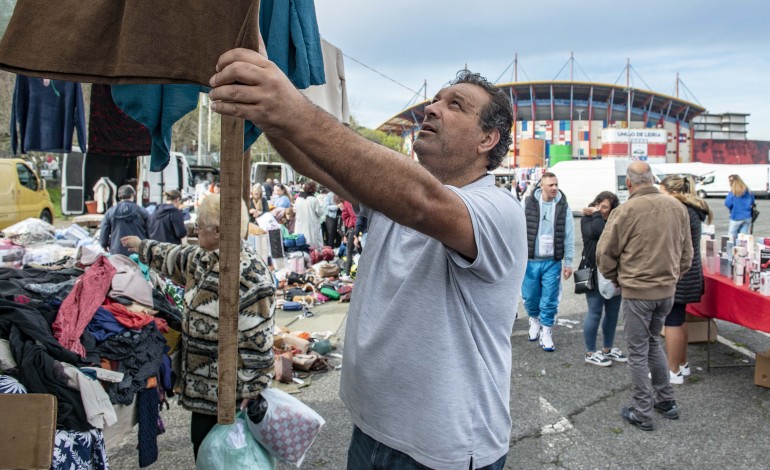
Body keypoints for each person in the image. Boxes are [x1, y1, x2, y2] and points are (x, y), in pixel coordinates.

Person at [210, 52, 527, 470]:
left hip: (442, 451)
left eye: (455, 105)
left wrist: (293, 109)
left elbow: (422, 202)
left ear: (488, 139)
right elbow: (320, 163)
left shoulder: (497, 208)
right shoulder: (391, 196)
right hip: (371, 430)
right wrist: (270, 115)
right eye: (435, 99)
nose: (430, 107)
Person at [121, 194, 275, 460]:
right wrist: (140, 246)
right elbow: (172, 256)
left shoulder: (251, 274)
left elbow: (258, 339)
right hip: (203, 393)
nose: (194, 230)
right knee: (204, 451)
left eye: (199, 226)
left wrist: (253, 387)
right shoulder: (201, 258)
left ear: (217, 231)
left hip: (232, 394)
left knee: (229, 457)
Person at [596, 161, 692, 431]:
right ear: (652, 179)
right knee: (652, 343)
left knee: (638, 351)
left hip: (638, 290)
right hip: (666, 290)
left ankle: (643, 411)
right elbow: (687, 254)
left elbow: (605, 254)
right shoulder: (677, 208)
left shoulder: (625, 211)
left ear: (628, 183)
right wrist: (674, 276)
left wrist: (616, 278)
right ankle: (666, 400)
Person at [659, 175, 712, 384]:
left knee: (672, 320)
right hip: (690, 273)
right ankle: (681, 364)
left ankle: (672, 371)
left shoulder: (679, 211)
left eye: (662, 192)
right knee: (680, 318)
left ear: (673, 193)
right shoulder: (692, 209)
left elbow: (670, 243)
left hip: (680, 273)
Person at [521, 171, 574, 351]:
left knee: (550, 298)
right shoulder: (528, 203)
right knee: (529, 296)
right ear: (541, 186)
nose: (554, 188)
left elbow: (569, 234)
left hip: (552, 261)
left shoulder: (562, 206)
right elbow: (517, 227)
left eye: (556, 184)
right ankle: (534, 320)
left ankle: (547, 330)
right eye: (550, 185)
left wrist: (568, 262)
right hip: (530, 260)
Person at [580, 191, 626, 367]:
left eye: (607, 208)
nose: (603, 210)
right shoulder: (588, 219)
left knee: (613, 312)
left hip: (614, 272)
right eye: (601, 206)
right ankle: (590, 351)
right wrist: (597, 214)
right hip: (592, 272)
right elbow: (598, 232)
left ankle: (608, 348)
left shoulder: (615, 222)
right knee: (595, 311)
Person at [99, 184, 150, 257]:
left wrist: (104, 244)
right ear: (133, 195)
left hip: (117, 253)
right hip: (139, 252)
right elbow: (150, 230)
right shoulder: (142, 211)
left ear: (119, 196)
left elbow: (104, 231)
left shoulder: (110, 212)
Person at [293, 181, 326, 250]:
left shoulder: (298, 199)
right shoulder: (313, 200)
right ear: (313, 189)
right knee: (312, 243)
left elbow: (294, 210)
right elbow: (320, 212)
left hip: (300, 224)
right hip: (311, 224)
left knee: (302, 242)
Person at [725, 174, 755, 239]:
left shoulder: (733, 192)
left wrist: (731, 209)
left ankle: (732, 249)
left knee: (731, 236)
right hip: (747, 217)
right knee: (742, 238)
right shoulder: (748, 190)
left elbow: (727, 203)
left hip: (736, 217)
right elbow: (752, 201)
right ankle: (742, 248)